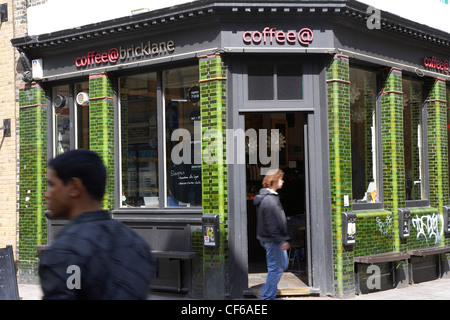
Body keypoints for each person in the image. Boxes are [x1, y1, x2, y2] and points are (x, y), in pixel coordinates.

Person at [39, 149, 155, 300]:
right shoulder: (138, 245)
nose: (47, 194)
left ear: (74, 187)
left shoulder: (64, 252)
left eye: (52, 184)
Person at [253, 168, 291, 300]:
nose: (283, 181)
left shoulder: (271, 197)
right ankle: (267, 296)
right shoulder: (269, 200)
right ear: (274, 180)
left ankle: (266, 293)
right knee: (276, 268)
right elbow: (271, 224)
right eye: (281, 178)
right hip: (273, 240)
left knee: (281, 265)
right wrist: (281, 240)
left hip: (274, 239)